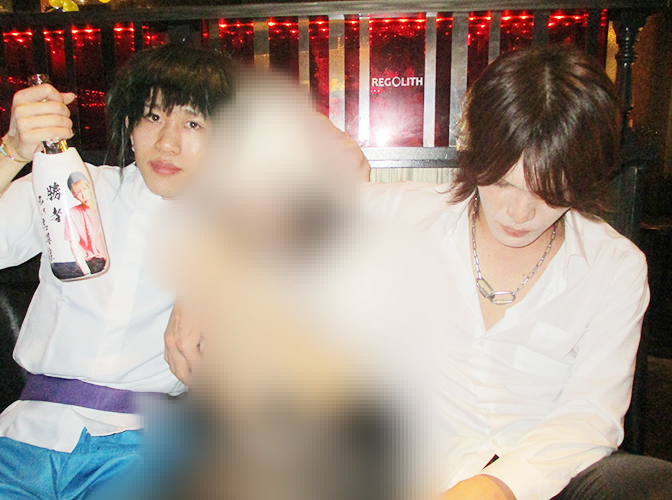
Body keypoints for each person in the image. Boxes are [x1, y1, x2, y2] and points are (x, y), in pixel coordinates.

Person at [165, 46, 672, 499]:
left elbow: (591, 414)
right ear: (477, 156)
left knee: (643, 483)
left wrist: (497, 487)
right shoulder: (405, 216)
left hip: (543, 482)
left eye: (549, 193)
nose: (519, 214)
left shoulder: (614, 267)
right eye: (503, 184)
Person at [0, 42, 232, 498]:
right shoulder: (74, 184)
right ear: (129, 128)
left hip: (143, 450)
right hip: (22, 442)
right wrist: (10, 151)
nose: (167, 142)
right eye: (152, 116)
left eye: (193, 123)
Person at [59, 171, 108, 278]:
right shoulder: (72, 213)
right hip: (90, 263)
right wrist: (85, 270)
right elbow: (74, 245)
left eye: (84, 189)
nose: (83, 195)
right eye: (77, 193)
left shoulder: (105, 204)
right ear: (73, 195)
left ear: (89, 187)